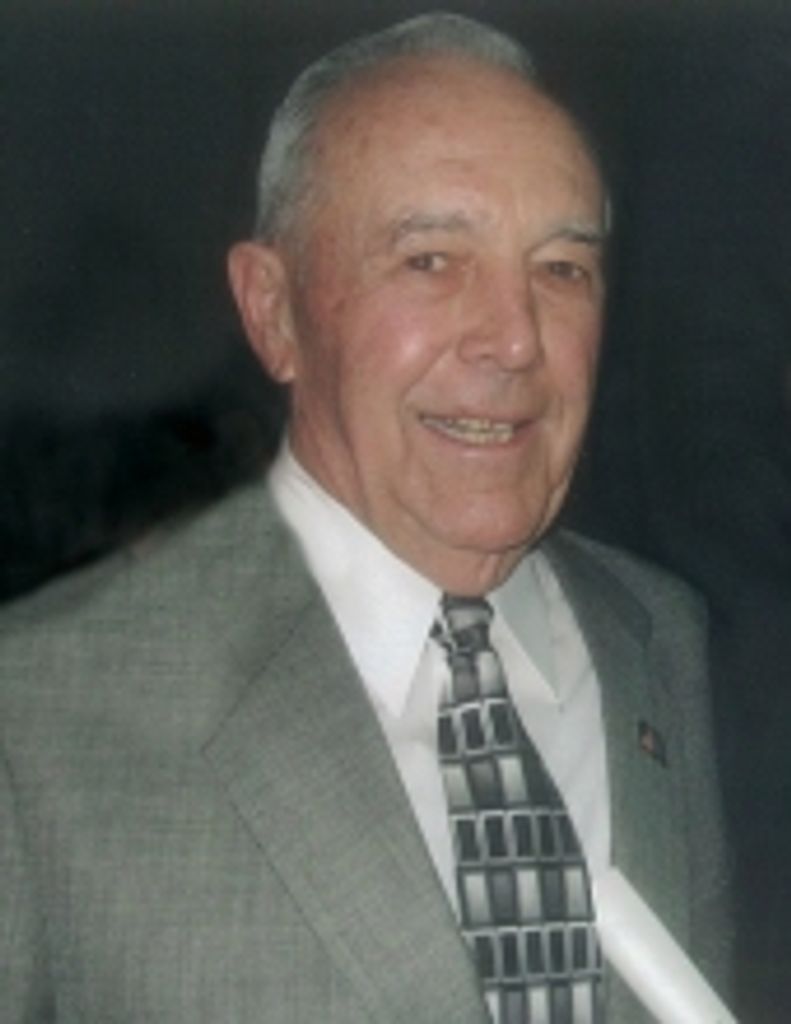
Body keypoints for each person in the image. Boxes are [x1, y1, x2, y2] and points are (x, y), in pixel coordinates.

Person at [0, 13, 732, 1023]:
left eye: (561, 268)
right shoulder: (38, 713)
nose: (516, 338)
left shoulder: (654, 633)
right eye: (430, 259)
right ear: (274, 310)